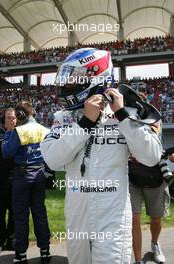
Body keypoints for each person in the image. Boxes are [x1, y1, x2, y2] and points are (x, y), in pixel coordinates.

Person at [40, 48, 162, 264]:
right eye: (67, 79)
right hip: (77, 215)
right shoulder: (63, 117)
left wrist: (123, 117)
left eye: (73, 78)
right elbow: (53, 160)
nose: (67, 85)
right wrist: (85, 123)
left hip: (112, 218)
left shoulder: (126, 111)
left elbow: (152, 156)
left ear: (97, 76)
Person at [1, 101, 51, 264]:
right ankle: (45, 250)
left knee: (21, 215)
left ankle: (21, 254)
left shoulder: (18, 131)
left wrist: (8, 134)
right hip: (40, 174)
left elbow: (6, 152)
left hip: (22, 175)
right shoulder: (44, 130)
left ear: (21, 115)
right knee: (40, 213)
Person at [129, 156, 170, 264]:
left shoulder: (156, 139)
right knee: (134, 218)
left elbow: (165, 152)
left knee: (156, 219)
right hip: (133, 178)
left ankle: (155, 243)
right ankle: (138, 260)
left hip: (155, 179)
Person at [0, 108, 16, 252]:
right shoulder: (0, 134)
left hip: (16, 179)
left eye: (13, 117)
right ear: (3, 119)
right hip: (0, 179)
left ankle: (11, 240)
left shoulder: (20, 134)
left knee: (14, 212)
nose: (11, 120)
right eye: (8, 117)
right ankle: (0, 239)